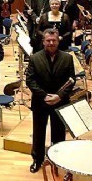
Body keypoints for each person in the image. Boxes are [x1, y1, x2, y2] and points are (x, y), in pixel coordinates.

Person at [26, 28, 75, 173]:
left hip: (60, 101)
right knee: (39, 132)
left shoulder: (67, 58)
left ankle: (58, 159)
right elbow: (30, 80)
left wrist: (59, 96)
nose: (51, 43)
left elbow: (72, 80)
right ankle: (37, 159)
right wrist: (45, 95)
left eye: (54, 40)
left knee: (59, 132)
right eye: (48, 41)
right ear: (43, 42)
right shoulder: (35, 58)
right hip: (41, 102)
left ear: (58, 41)